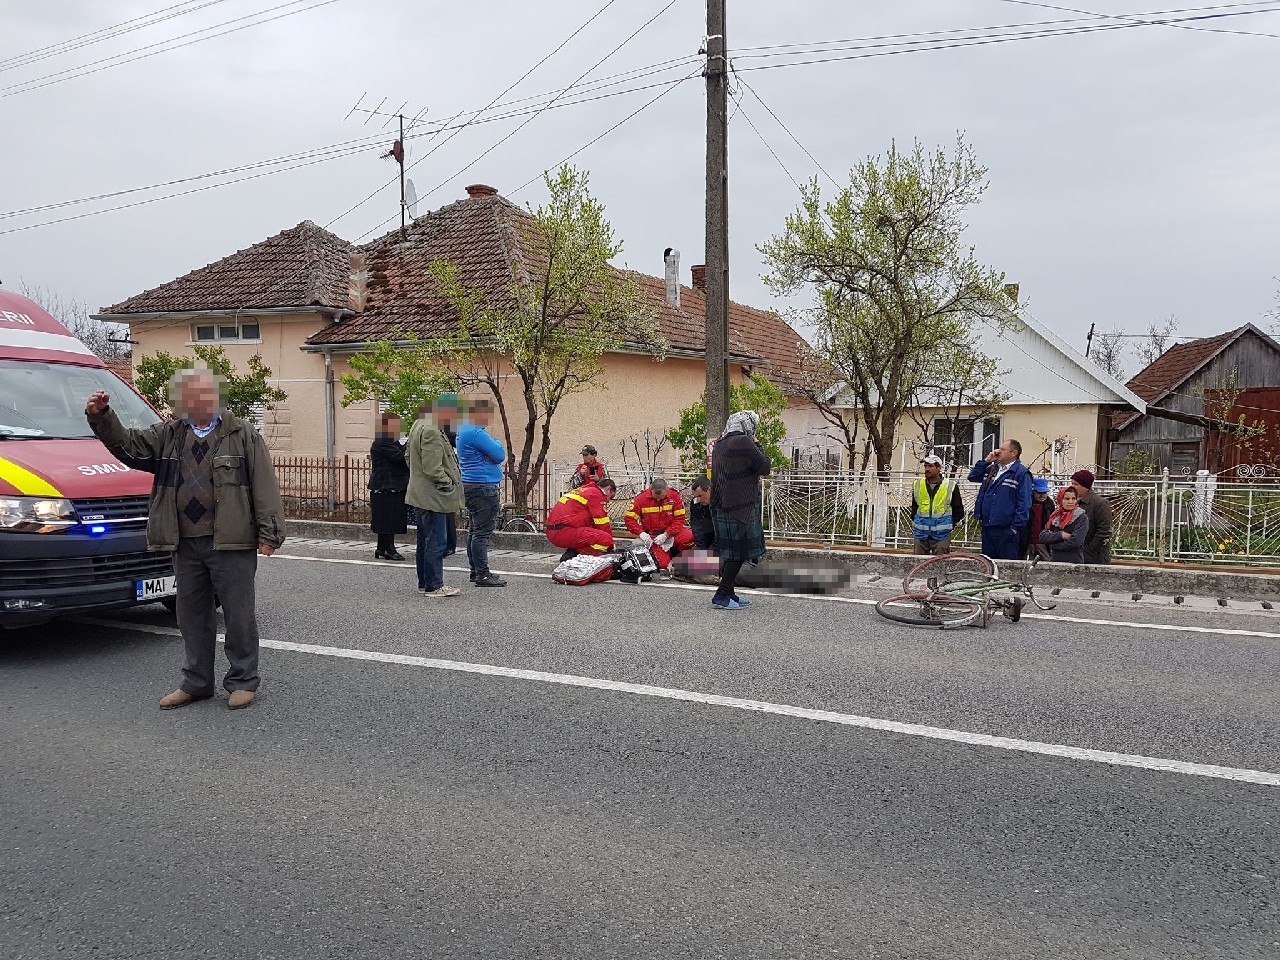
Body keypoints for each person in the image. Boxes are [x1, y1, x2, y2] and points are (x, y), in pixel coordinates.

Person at [84, 369, 285, 711]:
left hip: (230, 541)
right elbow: (127, 445)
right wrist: (102, 417)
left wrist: (270, 533)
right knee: (191, 615)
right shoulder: (168, 434)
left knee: (238, 615)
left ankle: (242, 680)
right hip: (183, 542)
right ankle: (197, 681)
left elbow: (264, 485)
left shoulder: (242, 433)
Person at [710, 410, 772, 610]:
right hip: (740, 505)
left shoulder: (719, 444)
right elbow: (764, 466)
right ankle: (721, 594)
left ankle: (730, 593)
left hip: (721, 504)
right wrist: (756, 441)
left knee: (732, 553)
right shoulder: (744, 442)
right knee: (739, 553)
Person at [406, 394, 465, 598]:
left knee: (424, 540)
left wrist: (418, 477)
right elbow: (433, 468)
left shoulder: (419, 424)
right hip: (434, 496)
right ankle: (435, 585)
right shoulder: (432, 429)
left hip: (420, 494)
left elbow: (408, 456)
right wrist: (447, 483)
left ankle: (424, 582)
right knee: (436, 541)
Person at [456, 397, 507, 587]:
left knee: (474, 530)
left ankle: (475, 570)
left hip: (471, 485)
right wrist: (496, 443)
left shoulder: (464, 431)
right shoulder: (476, 432)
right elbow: (500, 454)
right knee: (481, 533)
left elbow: (493, 454)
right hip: (483, 486)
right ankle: (482, 574)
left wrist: (491, 451)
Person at [967, 439, 1032, 561]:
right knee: (989, 564)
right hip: (988, 526)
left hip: (1006, 529)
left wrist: (1014, 528)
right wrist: (986, 461)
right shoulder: (992, 469)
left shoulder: (1021, 473)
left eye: (1002, 449)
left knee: (1007, 567)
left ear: (1014, 453)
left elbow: (1024, 503)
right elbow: (972, 477)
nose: (997, 451)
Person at [624, 477, 695, 569]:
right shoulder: (640, 499)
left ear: (667, 491)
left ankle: (678, 556)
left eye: (661, 498)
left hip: (673, 533)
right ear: (651, 490)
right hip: (654, 537)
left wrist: (666, 534)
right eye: (655, 498)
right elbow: (629, 519)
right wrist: (641, 533)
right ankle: (668, 557)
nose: (658, 501)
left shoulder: (674, 496)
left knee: (689, 537)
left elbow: (679, 519)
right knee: (662, 564)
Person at [369, 412, 410, 561]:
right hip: (386, 485)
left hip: (387, 485)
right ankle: (389, 549)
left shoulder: (390, 440)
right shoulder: (384, 440)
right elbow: (399, 458)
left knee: (386, 518)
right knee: (389, 519)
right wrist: (410, 444)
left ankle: (381, 547)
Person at [545, 477, 617, 560]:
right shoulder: (597, 494)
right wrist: (611, 544)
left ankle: (572, 553)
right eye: (610, 497)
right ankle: (583, 560)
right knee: (605, 539)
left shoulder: (585, 489)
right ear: (608, 489)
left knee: (591, 532)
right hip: (563, 532)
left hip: (554, 531)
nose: (608, 501)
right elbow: (602, 523)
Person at [911, 454, 965, 555]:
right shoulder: (917, 484)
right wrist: (916, 521)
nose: (927, 469)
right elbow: (914, 507)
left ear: (939, 468)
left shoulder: (950, 486)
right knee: (919, 564)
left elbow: (959, 511)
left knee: (940, 565)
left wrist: (949, 524)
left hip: (941, 534)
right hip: (921, 533)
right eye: (926, 466)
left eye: (930, 466)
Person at [1070, 469, 1114, 565]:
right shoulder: (1071, 501)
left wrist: (1089, 550)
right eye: (1072, 483)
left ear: (1085, 486)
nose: (1072, 487)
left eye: (1076, 484)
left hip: (1093, 557)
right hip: (1074, 554)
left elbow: (1104, 531)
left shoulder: (1099, 503)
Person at [1038, 486, 1091, 564]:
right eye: (1066, 499)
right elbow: (1043, 537)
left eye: (1073, 499)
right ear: (1060, 500)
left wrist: (1053, 545)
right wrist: (1061, 535)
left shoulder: (1081, 517)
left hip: (1074, 562)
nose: (1070, 502)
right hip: (1055, 562)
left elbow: (1075, 542)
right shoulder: (1055, 516)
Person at [1023, 476, 1054, 561]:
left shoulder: (1049, 504)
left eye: (1045, 492)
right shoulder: (1026, 503)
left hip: (1043, 543)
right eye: (1039, 492)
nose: (1042, 495)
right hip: (1027, 543)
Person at [689, 476, 716, 551]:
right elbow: (697, 529)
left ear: (709, 490)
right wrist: (702, 550)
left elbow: (723, 533)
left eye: (700, 496)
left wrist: (710, 552)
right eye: (696, 496)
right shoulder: (695, 503)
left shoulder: (720, 503)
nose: (699, 499)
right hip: (707, 539)